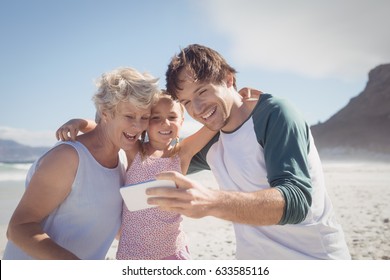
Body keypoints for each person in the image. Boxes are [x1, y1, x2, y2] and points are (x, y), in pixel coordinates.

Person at [146, 44, 351, 259]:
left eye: (203, 91)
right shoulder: (210, 141)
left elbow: (297, 200)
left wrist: (211, 202)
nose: (196, 109)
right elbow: (155, 166)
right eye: (186, 102)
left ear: (228, 79)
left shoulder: (274, 114)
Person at [3, 67, 160, 259]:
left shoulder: (122, 158)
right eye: (129, 116)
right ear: (105, 112)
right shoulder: (68, 158)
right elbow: (18, 228)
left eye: (144, 117)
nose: (138, 126)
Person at [55, 91, 216, 259]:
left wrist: (239, 101)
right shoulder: (136, 150)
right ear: (146, 122)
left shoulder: (182, 153)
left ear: (182, 122)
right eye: (156, 118)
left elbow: (213, 125)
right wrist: (79, 123)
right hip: (132, 252)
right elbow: (108, 129)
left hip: (172, 251)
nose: (165, 123)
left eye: (172, 117)